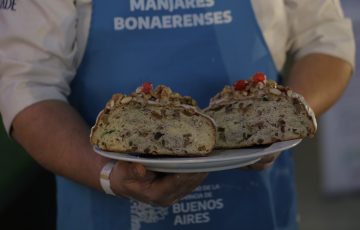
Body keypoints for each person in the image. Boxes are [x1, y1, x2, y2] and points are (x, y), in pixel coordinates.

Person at [0, 0, 355, 229]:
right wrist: (108, 174)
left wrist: (278, 119)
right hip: (105, 211)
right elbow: (27, 83)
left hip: (256, 210)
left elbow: (325, 38)